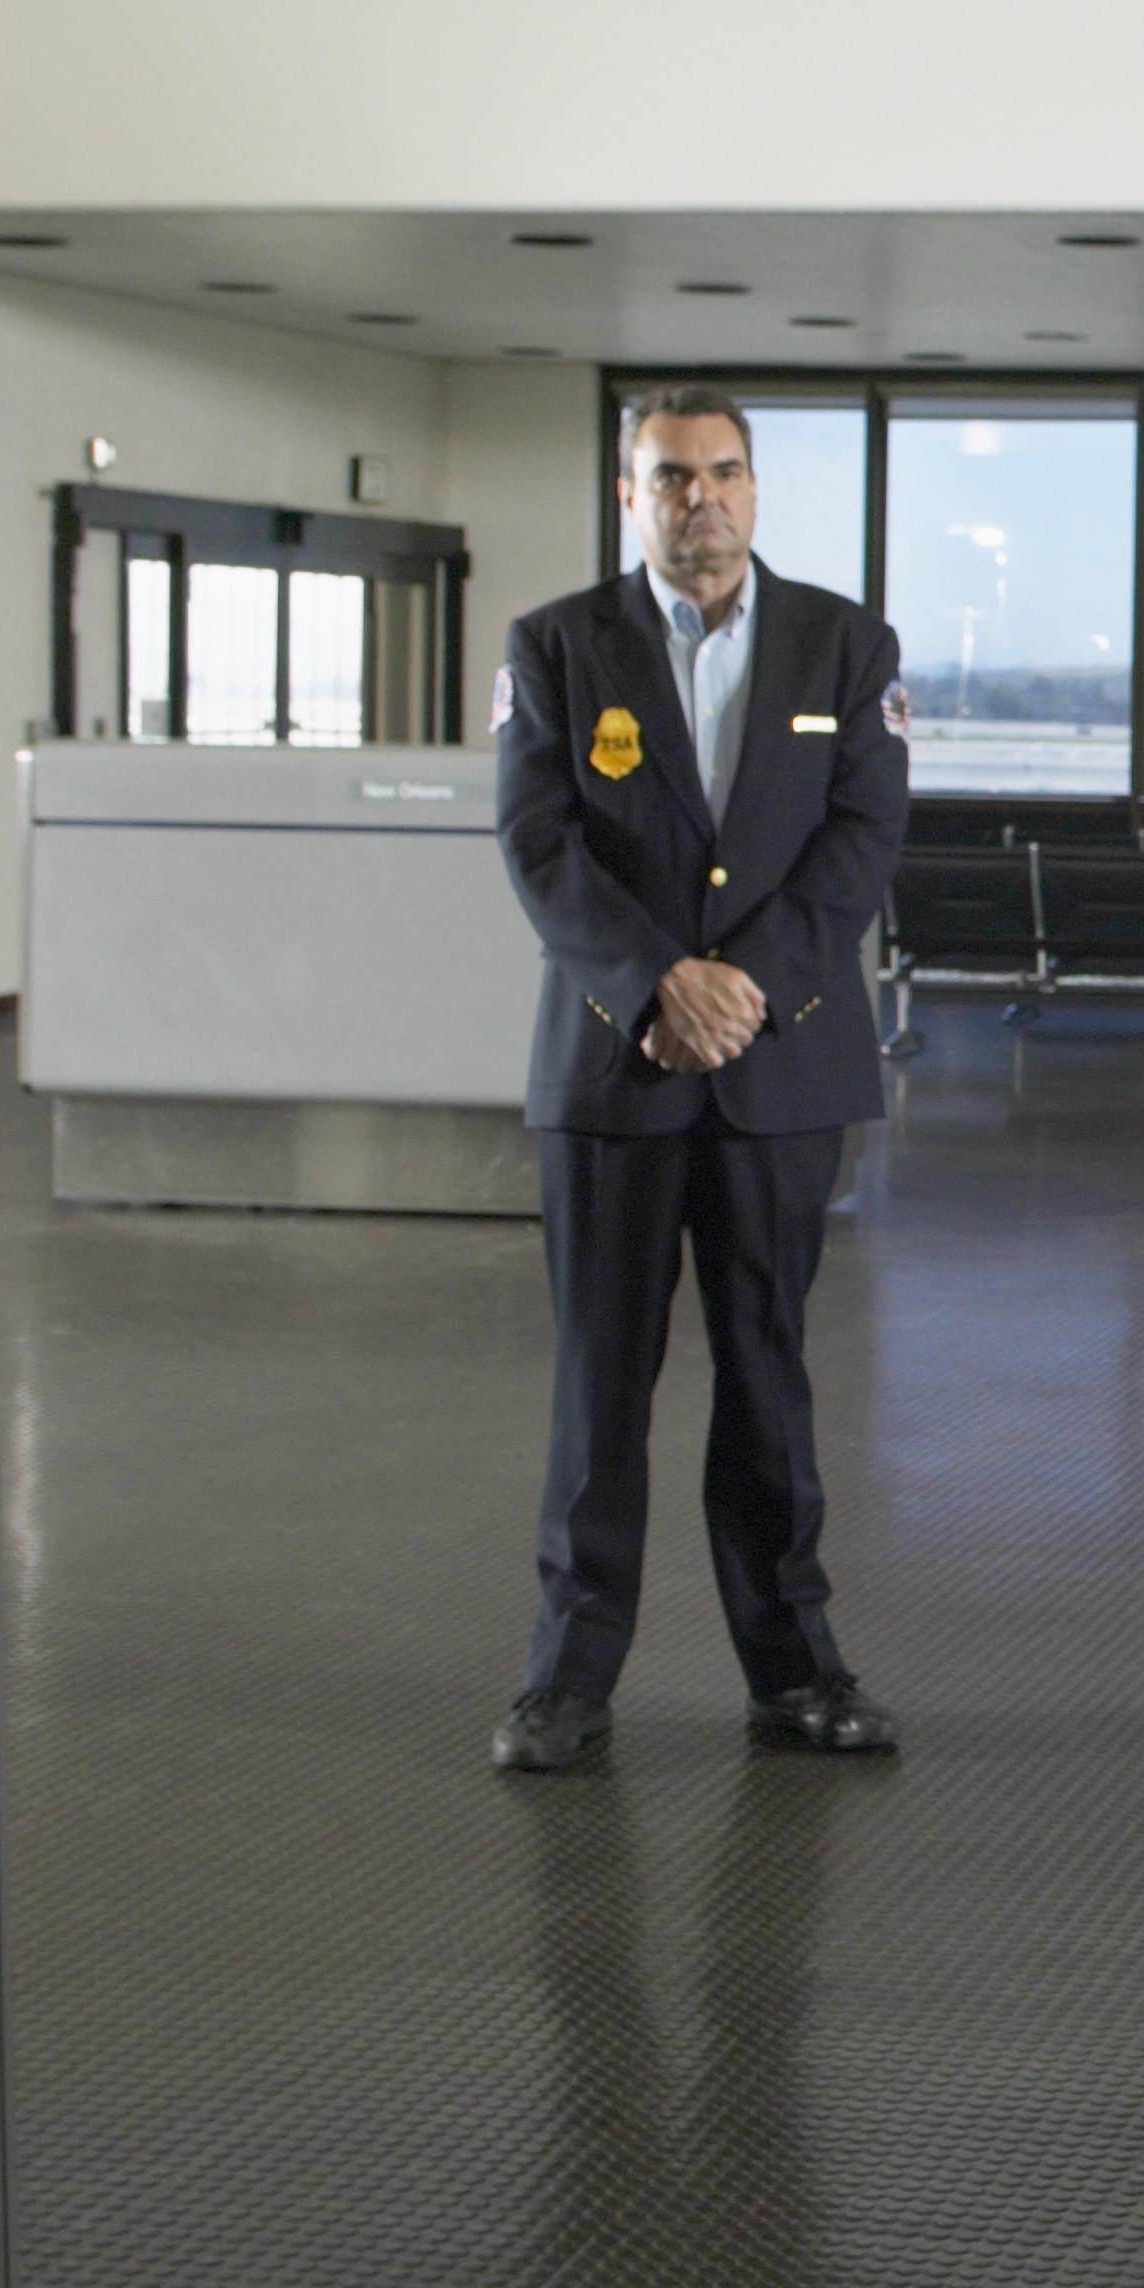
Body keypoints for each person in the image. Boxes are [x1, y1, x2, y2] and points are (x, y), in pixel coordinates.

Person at [484, 387, 919, 1776]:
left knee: (769, 1379)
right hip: (617, 1073)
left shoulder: (847, 646)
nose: (701, 500)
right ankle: (566, 1680)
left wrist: (738, 992)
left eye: (724, 472)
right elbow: (538, 844)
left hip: (777, 1071)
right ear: (630, 494)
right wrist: (658, 984)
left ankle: (795, 1671)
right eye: (671, 478)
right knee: (599, 1385)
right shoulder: (556, 646)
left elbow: (860, 842)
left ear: (755, 485)